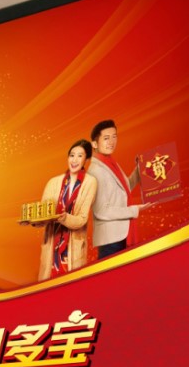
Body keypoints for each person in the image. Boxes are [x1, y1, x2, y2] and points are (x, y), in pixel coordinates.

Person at [34, 140, 99, 281]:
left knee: (72, 287)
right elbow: (43, 215)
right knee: (48, 287)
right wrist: (35, 221)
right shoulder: (53, 182)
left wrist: (64, 218)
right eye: (72, 155)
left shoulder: (90, 182)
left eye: (80, 156)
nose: (74, 160)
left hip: (73, 248)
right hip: (51, 248)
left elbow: (82, 219)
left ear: (86, 159)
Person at [87, 119, 144, 258]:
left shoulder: (111, 163)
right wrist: (134, 210)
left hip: (121, 233)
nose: (111, 142)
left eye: (114, 137)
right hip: (111, 239)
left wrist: (140, 168)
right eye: (106, 138)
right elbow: (101, 211)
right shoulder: (95, 171)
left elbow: (124, 189)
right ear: (94, 144)